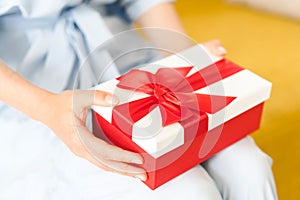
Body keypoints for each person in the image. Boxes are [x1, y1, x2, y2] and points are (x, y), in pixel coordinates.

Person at [0, 0, 277, 199]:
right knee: (190, 192)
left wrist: (183, 59)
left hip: (130, 67)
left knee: (248, 167)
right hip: (33, 97)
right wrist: (47, 107)